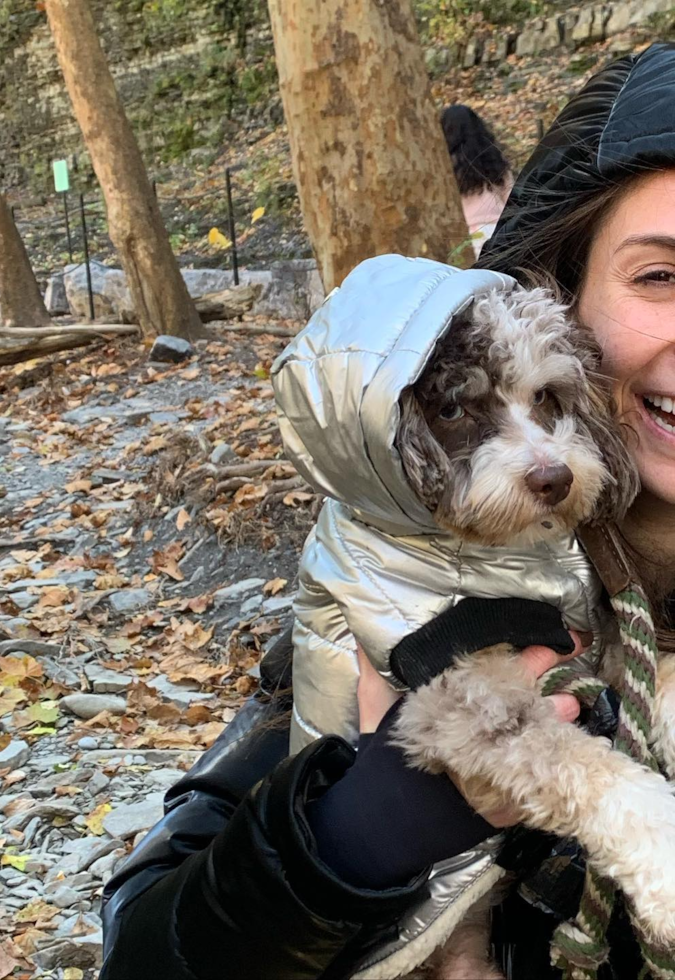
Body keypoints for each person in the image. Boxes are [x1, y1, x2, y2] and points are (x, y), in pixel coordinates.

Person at [100, 43, 675, 980]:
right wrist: (336, 849)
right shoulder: (399, 581)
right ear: (560, 296)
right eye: (661, 275)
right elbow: (143, 960)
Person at [441, 104, 514, 257]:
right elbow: (512, 200)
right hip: (500, 234)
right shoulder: (494, 160)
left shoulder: (443, 168)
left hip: (465, 238)